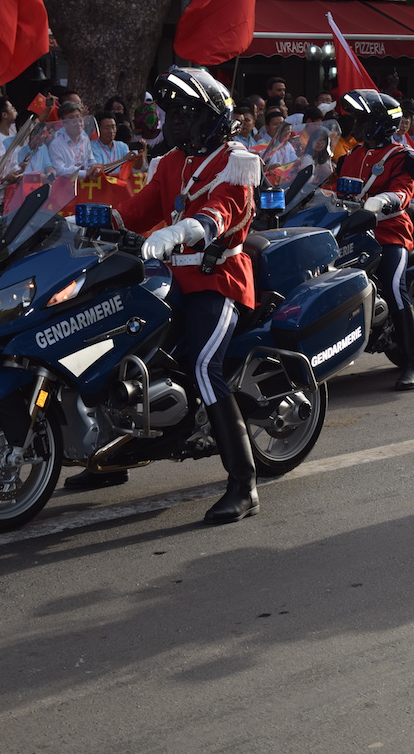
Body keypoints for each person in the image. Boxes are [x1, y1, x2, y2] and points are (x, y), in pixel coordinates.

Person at [65, 65, 262, 526]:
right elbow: (138, 210)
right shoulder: (172, 162)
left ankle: (243, 484)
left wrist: (181, 231)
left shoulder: (235, 161)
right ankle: (110, 457)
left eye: (184, 113)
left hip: (218, 280)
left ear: (210, 118)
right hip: (169, 279)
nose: (173, 123)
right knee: (111, 341)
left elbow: (223, 213)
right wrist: (80, 223)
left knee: (202, 365)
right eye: (171, 114)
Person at [339, 89, 414, 391]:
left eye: (361, 119)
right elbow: (331, 190)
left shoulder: (402, 156)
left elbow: (403, 192)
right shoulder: (349, 157)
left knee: (394, 286)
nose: (355, 124)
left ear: (381, 124)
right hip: (351, 232)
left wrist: (380, 202)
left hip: (389, 232)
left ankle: (409, 362)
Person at [48, 102, 99, 179]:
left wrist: (95, 169)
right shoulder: (56, 144)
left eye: (79, 118)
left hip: (84, 184)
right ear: (64, 123)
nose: (78, 123)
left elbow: (91, 160)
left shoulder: (85, 139)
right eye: (72, 119)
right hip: (65, 186)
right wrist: (84, 173)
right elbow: (60, 170)